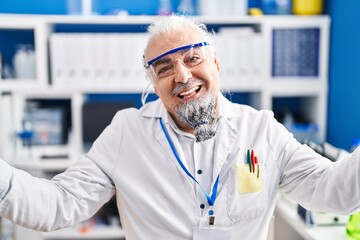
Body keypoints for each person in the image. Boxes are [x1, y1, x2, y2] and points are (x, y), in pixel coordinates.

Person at [0, 15, 359, 240]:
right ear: (153, 84)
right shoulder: (126, 132)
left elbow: (335, 194)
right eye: (165, 68)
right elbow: (58, 205)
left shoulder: (262, 129)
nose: (183, 76)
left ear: (215, 63)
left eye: (192, 58)